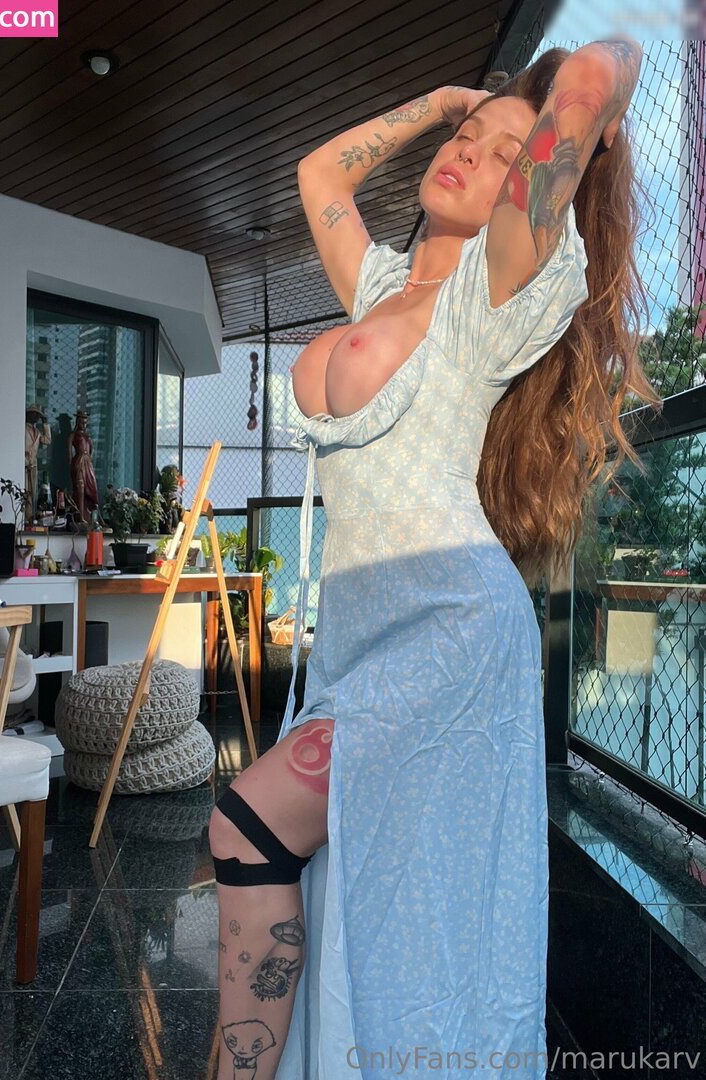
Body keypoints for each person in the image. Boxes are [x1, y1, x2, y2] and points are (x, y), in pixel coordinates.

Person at [209, 40, 660, 1080]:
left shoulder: (494, 295)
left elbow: (595, 77)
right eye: (468, 137)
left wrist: (589, 87)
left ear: (528, 194)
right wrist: (437, 104)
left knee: (248, 821)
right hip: (362, 637)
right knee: (362, 889)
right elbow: (318, 178)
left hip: (451, 632)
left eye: (507, 154)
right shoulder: (376, 286)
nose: (471, 152)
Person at [67, 410, 99, 523]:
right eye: (81, 422)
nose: (83, 425)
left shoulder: (87, 436)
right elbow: (69, 454)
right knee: (80, 486)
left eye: (85, 423)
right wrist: (72, 466)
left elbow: (91, 450)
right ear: (77, 422)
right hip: (79, 461)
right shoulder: (73, 435)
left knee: (92, 487)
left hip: (87, 462)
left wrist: (89, 459)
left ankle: (94, 516)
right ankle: (80, 516)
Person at [24, 404, 51, 523]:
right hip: (24, 463)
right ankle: (25, 516)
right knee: (24, 490)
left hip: (33, 464)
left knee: (32, 492)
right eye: (34, 414)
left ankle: (30, 516)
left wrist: (45, 424)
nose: (36, 417)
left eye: (38, 415)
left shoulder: (37, 432)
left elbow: (47, 440)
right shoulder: (22, 428)